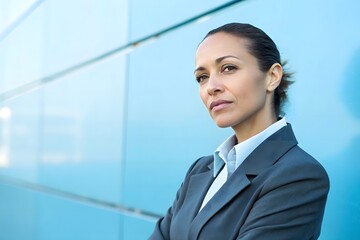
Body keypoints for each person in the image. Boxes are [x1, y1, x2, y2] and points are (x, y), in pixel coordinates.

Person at [149, 23, 329, 240]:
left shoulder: (299, 175)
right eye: (202, 77)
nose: (211, 87)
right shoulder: (200, 169)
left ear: (272, 77)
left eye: (228, 68)